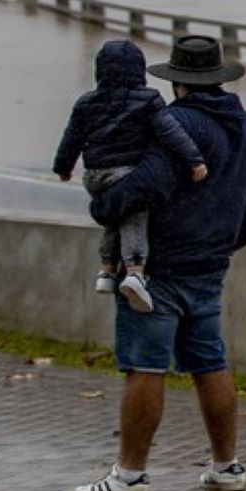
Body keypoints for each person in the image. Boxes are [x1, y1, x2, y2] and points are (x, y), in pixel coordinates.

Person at [72, 35, 246, 491]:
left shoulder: (176, 123)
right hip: (210, 265)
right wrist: (223, 245)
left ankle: (130, 477)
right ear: (217, 76)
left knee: (144, 366)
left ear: (176, 79)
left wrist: (104, 206)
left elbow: (146, 186)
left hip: (158, 267)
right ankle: (226, 468)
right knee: (210, 362)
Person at [52, 39, 209, 313]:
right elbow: (170, 133)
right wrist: (194, 159)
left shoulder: (86, 102)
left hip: (94, 175)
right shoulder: (148, 100)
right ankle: (135, 272)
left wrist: (63, 168)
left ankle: (107, 271)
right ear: (139, 71)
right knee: (135, 216)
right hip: (125, 172)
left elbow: (71, 139)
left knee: (115, 216)